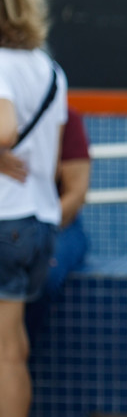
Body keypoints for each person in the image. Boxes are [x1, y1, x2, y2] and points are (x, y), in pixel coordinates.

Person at [0, 0, 68, 417]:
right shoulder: (49, 69)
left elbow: (2, 130)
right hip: (39, 222)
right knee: (11, 349)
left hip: (4, 218)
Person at [0, 106, 90, 337]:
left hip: (57, 224)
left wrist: (39, 227)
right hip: (12, 226)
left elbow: (77, 192)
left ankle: (21, 344)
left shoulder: (66, 118)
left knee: (43, 273)